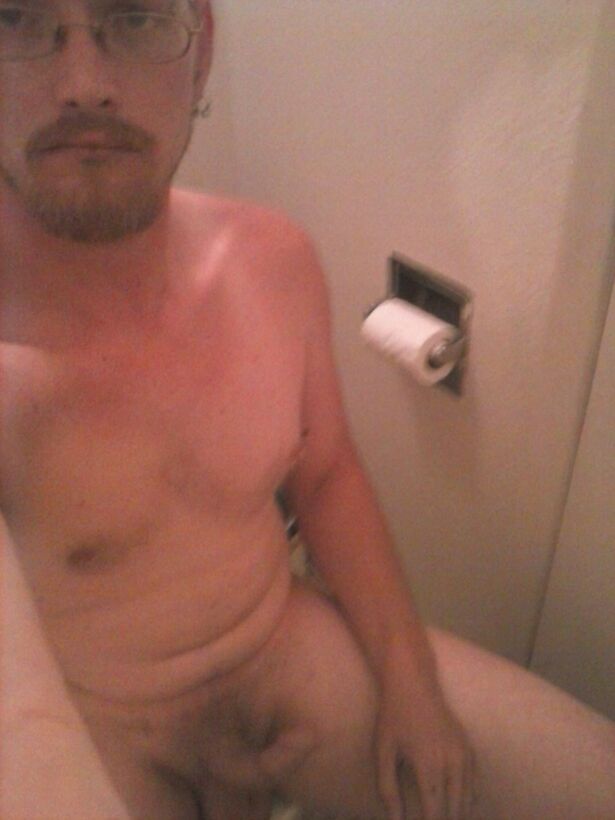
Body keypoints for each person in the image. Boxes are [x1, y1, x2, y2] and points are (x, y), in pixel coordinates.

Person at [1, 1, 614, 818]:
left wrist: (410, 683)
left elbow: (325, 476)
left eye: (136, 16)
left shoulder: (270, 258)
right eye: (16, 19)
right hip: (97, 721)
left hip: (280, 648)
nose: (84, 83)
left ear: (200, 50)